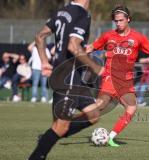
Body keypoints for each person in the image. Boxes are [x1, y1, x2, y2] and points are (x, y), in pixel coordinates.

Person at [86, 5, 149, 147]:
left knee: (131, 108)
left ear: (128, 19)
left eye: (120, 20)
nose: (118, 23)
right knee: (100, 106)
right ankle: (70, 117)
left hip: (126, 81)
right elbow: (92, 47)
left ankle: (110, 137)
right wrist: (77, 50)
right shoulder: (108, 36)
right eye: (116, 21)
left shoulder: (138, 38)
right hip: (110, 77)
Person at [27, 0, 103, 159]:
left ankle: (50, 136)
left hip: (72, 77)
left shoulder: (62, 12)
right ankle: (40, 150)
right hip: (67, 77)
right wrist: (97, 68)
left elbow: (40, 36)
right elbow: (73, 46)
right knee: (60, 127)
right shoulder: (82, 14)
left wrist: (44, 62)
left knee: (93, 114)